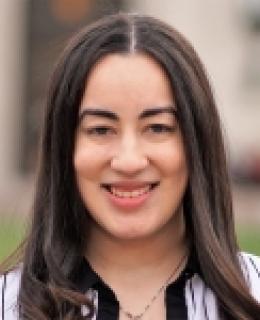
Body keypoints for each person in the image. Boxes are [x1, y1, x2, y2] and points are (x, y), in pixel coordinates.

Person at [1, 12, 260, 320]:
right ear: (65, 148)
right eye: (100, 129)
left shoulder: (252, 295)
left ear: (196, 142)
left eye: (157, 127)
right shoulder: (8, 306)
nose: (129, 161)